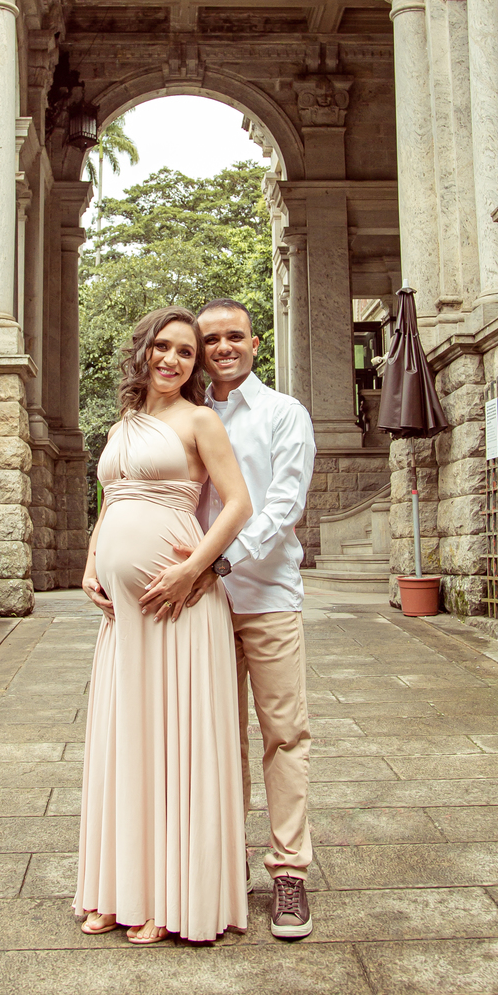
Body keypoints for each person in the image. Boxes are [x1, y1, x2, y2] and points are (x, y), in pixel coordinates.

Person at [75, 306, 253, 945]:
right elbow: (110, 500)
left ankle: (167, 901)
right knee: (126, 739)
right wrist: (91, 560)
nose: (173, 359)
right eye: (163, 347)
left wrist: (192, 570)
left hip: (179, 607)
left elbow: (239, 504)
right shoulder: (124, 423)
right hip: (123, 617)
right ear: (144, 350)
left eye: (186, 352)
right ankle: (117, 890)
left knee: (171, 743)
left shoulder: (200, 420)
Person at [144, 299, 316, 939]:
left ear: (255, 343)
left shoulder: (283, 413)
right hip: (198, 605)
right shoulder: (183, 414)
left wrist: (217, 563)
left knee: (284, 735)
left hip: (266, 597)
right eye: (210, 339)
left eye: (234, 337)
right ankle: (224, 862)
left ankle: (290, 872)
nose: (222, 348)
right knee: (214, 738)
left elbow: (283, 504)